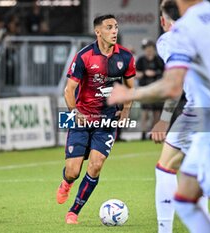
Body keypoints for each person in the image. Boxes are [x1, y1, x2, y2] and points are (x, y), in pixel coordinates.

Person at [108, 0, 210, 232]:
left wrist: (130, 94)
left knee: (171, 171)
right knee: (187, 199)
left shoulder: (177, 34)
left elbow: (172, 86)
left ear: (164, 19)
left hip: (203, 116)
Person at [56, 14, 136, 225]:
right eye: (109, 27)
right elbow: (69, 90)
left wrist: (126, 110)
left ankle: (73, 212)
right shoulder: (84, 56)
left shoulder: (125, 57)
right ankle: (66, 182)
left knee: (96, 165)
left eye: (116, 27)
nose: (114, 31)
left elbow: (130, 89)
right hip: (82, 118)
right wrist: (75, 114)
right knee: (73, 171)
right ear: (98, 31)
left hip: (107, 121)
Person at [152, 1, 208, 232]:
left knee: (165, 167)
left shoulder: (168, 40)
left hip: (199, 110)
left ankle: (165, 230)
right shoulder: (207, 32)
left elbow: (174, 81)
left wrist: (165, 119)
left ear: (163, 20)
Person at [136, 39, 165, 140]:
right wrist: (145, 73)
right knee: (145, 112)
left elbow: (165, 73)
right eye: (147, 49)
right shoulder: (141, 60)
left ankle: (154, 133)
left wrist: (155, 73)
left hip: (157, 89)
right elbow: (135, 74)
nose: (149, 51)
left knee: (157, 112)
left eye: (151, 48)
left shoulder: (158, 60)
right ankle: (143, 134)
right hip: (145, 88)